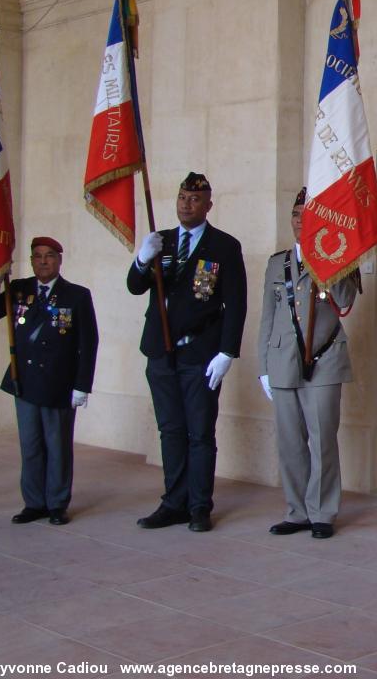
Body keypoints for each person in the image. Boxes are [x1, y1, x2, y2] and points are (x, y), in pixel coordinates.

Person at [128, 172, 247, 532]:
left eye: (195, 199)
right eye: (182, 197)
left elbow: (236, 303)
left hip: (200, 354)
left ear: (208, 205)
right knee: (171, 431)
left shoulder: (224, 246)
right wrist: (141, 260)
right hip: (161, 354)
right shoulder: (159, 241)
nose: (186, 204)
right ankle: (173, 502)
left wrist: (227, 353)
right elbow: (135, 287)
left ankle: (199, 506)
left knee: (199, 433)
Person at [257, 187, 358, 540]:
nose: (301, 221)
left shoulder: (338, 257)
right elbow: (267, 318)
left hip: (326, 359)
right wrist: (264, 367)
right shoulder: (276, 262)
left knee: (322, 438)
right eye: (296, 215)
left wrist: (330, 263)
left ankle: (322, 512)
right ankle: (296, 511)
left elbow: (346, 302)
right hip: (283, 359)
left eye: (307, 215)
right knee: (290, 442)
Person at [0, 236, 99, 525]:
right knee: (30, 445)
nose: (43, 261)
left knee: (57, 446)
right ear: (31, 261)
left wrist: (82, 385)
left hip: (59, 383)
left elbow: (88, 343)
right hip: (26, 381)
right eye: (37, 256)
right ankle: (34, 503)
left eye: (49, 256)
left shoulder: (76, 295)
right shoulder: (17, 289)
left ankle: (57, 503)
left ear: (60, 260)